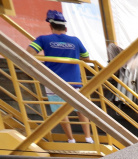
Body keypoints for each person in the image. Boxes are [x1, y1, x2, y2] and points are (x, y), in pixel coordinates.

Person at [26, 10, 93, 144]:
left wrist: (45, 62)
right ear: (65, 28)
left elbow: (29, 53)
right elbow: (86, 59)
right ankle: (88, 138)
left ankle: (71, 139)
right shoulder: (75, 41)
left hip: (54, 82)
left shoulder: (43, 39)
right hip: (74, 82)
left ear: (51, 26)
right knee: (80, 109)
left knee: (61, 112)